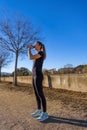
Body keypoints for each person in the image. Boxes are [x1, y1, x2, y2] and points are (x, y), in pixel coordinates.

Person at [28, 41, 48, 121]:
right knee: (36, 94)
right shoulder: (38, 53)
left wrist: (29, 49)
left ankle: (45, 113)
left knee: (40, 94)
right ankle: (39, 110)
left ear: (39, 46)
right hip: (34, 76)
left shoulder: (41, 53)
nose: (34, 45)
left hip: (38, 76)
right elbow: (32, 59)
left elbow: (30, 57)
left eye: (35, 44)